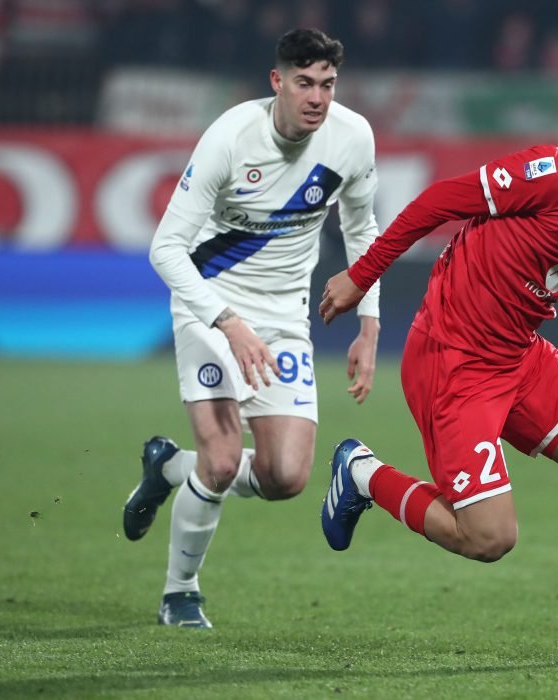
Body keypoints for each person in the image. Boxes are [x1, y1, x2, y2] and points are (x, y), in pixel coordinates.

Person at [319, 77, 558, 665]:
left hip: (520, 354)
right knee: (489, 538)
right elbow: (439, 200)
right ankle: (364, 474)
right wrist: (362, 274)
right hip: (454, 356)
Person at [122, 28, 381, 628]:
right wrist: (226, 321)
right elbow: (166, 249)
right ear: (278, 82)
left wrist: (368, 324)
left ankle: (166, 468)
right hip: (210, 307)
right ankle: (179, 592)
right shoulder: (230, 138)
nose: (317, 97)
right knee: (218, 461)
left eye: (328, 84)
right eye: (304, 83)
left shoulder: (352, 138)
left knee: (285, 475)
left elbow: (363, 231)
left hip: (285, 317)